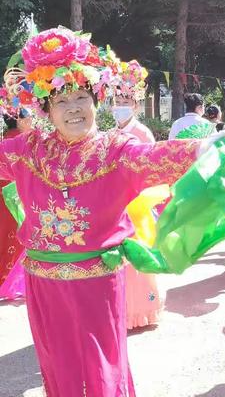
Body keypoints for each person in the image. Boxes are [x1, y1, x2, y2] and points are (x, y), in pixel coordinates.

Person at [0, 27, 210, 396]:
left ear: (97, 101)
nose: (74, 108)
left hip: (95, 283)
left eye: (82, 97)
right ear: (47, 109)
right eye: (62, 102)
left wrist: (199, 151)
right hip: (43, 285)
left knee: (101, 368)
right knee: (57, 368)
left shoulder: (115, 150)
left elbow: (153, 158)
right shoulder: (28, 150)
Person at [112, 60, 163, 330]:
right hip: (116, 205)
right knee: (119, 260)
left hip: (137, 204)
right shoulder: (112, 133)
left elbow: (152, 169)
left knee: (138, 259)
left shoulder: (142, 133)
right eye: (116, 98)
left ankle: (142, 309)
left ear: (134, 104)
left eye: (125, 99)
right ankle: (122, 310)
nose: (119, 103)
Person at [0, 108, 32, 288]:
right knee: (13, 240)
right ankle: (7, 282)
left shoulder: (6, 139)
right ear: (20, 119)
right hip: (13, 200)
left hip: (6, 199)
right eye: (29, 117)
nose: (32, 121)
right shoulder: (19, 142)